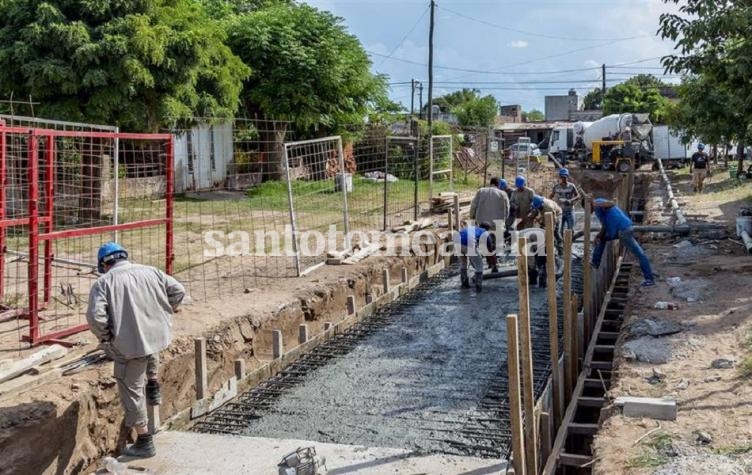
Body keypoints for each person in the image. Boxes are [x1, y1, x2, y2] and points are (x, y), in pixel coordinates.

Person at [86, 243, 186, 458]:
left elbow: (96, 318)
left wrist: (106, 338)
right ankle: (153, 382)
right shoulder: (151, 271)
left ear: (104, 264)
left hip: (130, 347)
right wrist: (166, 309)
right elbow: (178, 290)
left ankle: (144, 440)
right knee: (149, 348)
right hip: (157, 336)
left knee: (131, 388)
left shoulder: (104, 283)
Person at [591, 198, 655, 287]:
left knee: (640, 254)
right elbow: (604, 225)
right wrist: (598, 235)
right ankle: (595, 262)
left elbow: (611, 203)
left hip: (623, 230)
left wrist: (595, 204)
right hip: (619, 230)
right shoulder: (598, 208)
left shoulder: (598, 203)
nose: (588, 212)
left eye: (587, 209)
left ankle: (649, 279)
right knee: (602, 239)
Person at [469, 177, 509, 271]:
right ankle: (495, 263)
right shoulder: (503, 194)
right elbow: (507, 208)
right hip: (497, 224)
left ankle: (489, 263)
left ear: (490, 183)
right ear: (498, 185)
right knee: (496, 245)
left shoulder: (481, 191)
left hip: (483, 223)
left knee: (486, 244)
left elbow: (473, 205)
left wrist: (472, 217)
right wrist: (504, 221)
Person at [457, 221, 495, 292]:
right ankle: (478, 285)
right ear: (487, 229)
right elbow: (490, 251)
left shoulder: (472, 228)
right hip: (468, 243)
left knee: (463, 263)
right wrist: (493, 264)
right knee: (479, 264)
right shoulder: (485, 232)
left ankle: (464, 283)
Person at [550, 168, 580, 235]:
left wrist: (571, 200)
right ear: (560, 177)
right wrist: (553, 205)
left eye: (565, 177)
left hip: (569, 211)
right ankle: (561, 244)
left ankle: (570, 243)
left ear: (567, 177)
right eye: (562, 177)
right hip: (560, 212)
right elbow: (551, 196)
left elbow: (578, 196)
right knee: (559, 230)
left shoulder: (572, 186)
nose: (563, 179)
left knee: (571, 229)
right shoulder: (556, 187)